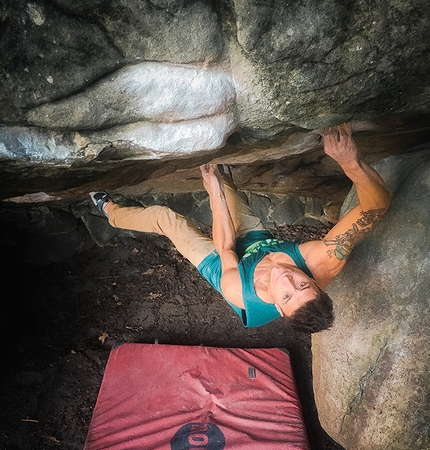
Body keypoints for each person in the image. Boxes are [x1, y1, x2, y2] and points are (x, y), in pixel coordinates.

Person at [90, 123, 390, 332]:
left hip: (223, 263)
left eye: (286, 296)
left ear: (280, 311)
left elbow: (225, 247)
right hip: (260, 245)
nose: (287, 280)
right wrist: (349, 162)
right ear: (315, 283)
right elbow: (375, 208)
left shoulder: (239, 291)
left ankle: (110, 211)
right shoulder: (324, 259)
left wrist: (213, 193)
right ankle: (222, 180)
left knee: (166, 218)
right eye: (302, 285)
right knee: (227, 186)